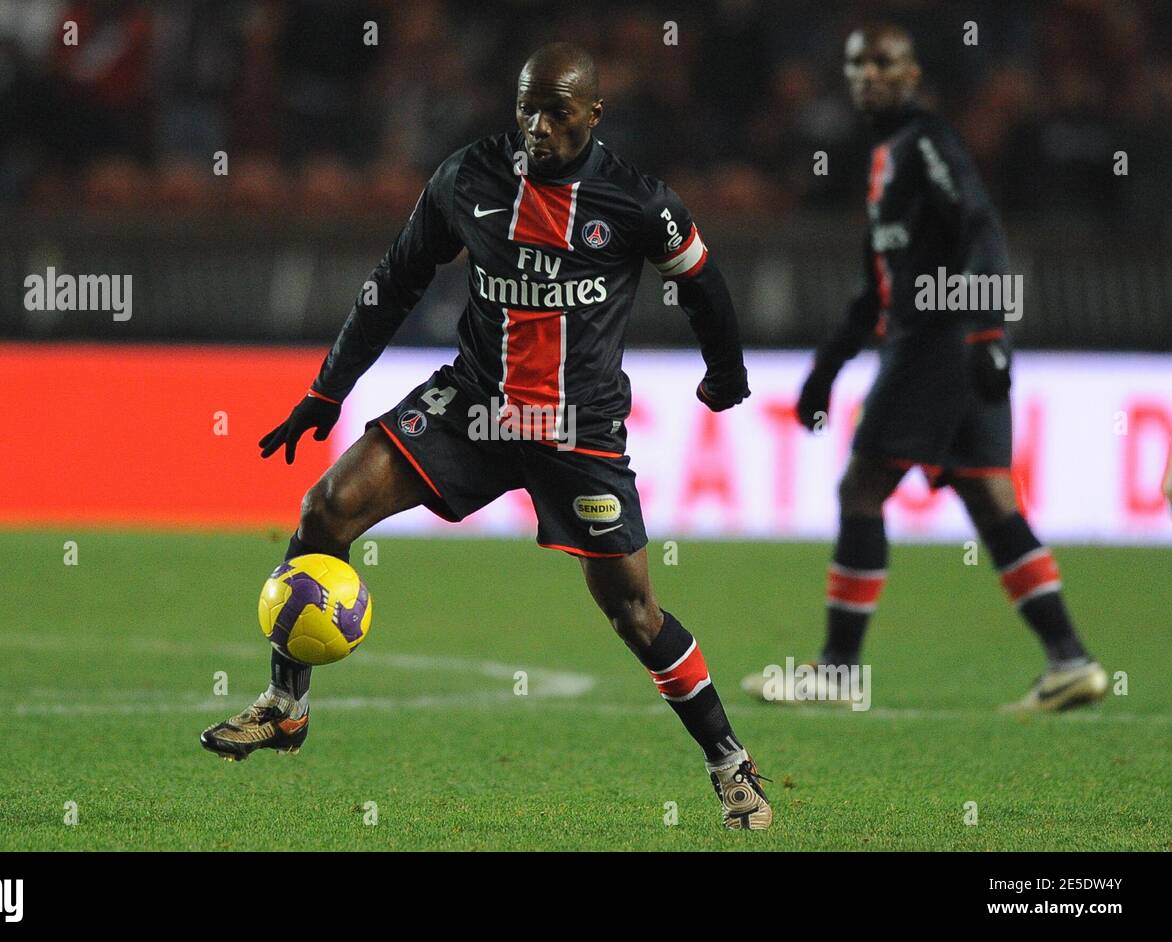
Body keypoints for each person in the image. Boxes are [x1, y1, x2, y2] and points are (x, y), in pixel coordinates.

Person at [201, 43, 771, 830]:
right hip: (474, 405)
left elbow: (703, 285)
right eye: (526, 107)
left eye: (557, 111)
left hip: (577, 427)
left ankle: (729, 762)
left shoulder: (639, 203)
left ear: (594, 114)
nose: (537, 126)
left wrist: (726, 374)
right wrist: (326, 390)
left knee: (634, 613)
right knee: (326, 509)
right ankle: (285, 705)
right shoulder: (467, 178)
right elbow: (394, 280)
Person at [741, 24, 1105, 713]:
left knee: (861, 487)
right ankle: (1071, 660)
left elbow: (982, 229)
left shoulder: (927, 142)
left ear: (913, 76)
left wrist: (988, 333)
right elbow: (875, 288)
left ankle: (838, 670)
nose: (868, 74)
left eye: (885, 63)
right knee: (990, 499)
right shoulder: (886, 157)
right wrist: (827, 368)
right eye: (858, 64)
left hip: (940, 342)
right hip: (951, 344)